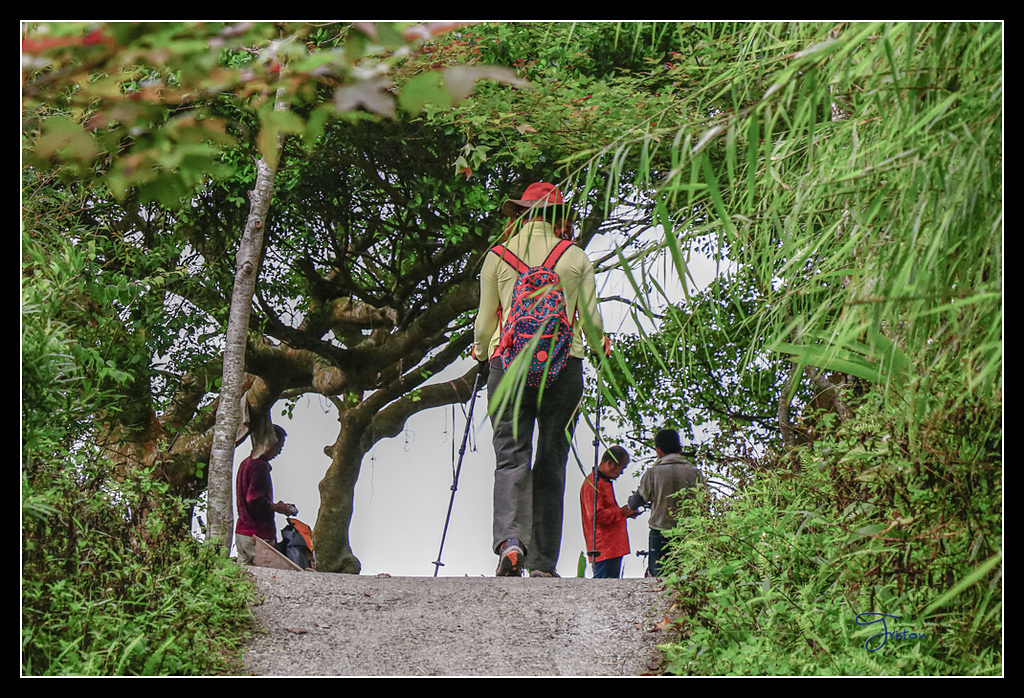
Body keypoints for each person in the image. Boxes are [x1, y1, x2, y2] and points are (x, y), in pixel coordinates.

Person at [473, 181, 608, 578]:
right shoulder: (576, 257)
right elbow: (593, 323)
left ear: (521, 214)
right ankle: (544, 563)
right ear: (560, 218)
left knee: (512, 455)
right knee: (552, 460)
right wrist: (599, 351)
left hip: (508, 366)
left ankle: (512, 542)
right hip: (564, 368)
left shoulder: (496, 257)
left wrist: (482, 354)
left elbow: (484, 325)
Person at [627, 428, 704, 577]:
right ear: (680, 449)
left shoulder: (652, 473)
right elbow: (705, 502)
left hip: (660, 533)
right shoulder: (695, 473)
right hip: (689, 533)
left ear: (659, 451)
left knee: (658, 578)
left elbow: (636, 502)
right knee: (687, 577)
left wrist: (631, 501)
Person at [234, 424, 298, 565]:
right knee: (268, 576)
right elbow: (254, 499)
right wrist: (276, 507)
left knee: (242, 575)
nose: (279, 451)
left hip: (242, 532)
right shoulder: (260, 466)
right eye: (278, 447)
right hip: (257, 535)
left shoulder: (247, 463)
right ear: (269, 443)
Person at [581, 445, 636, 578]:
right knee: (603, 587)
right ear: (610, 463)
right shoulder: (593, 484)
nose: (621, 473)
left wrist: (626, 512)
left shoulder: (604, 482)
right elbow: (596, 514)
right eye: (620, 468)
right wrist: (621, 512)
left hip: (613, 546)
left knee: (612, 587)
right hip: (604, 547)